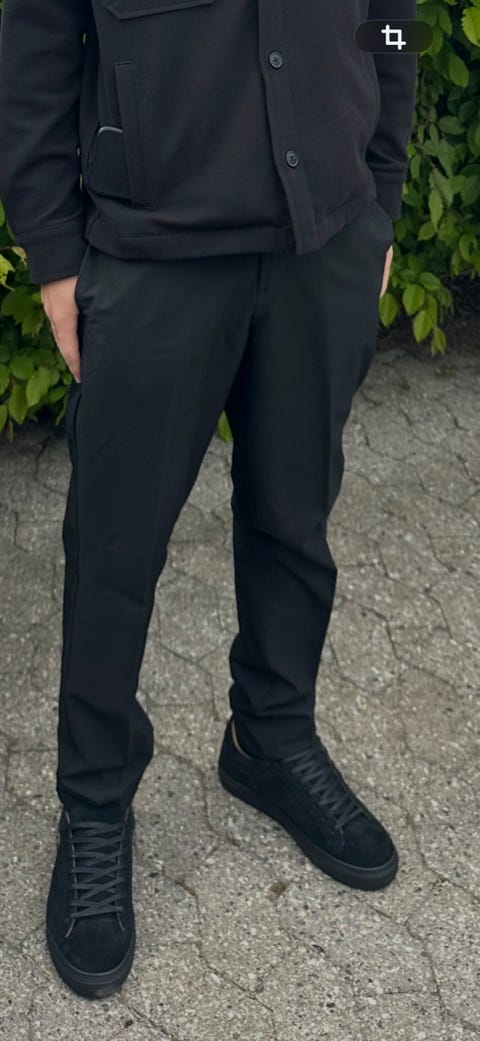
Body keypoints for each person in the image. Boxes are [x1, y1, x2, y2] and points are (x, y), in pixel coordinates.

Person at [0, 0, 418, 1001]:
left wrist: (380, 187)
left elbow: (390, 17)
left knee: (295, 518)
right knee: (114, 554)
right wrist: (54, 252)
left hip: (327, 238)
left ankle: (271, 735)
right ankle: (95, 799)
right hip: (154, 254)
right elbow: (35, 45)